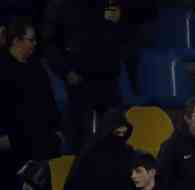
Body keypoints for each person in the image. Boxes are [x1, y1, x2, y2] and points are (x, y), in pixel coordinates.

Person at [41, 0, 130, 151]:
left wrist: (118, 24)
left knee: (116, 133)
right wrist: (65, 71)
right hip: (78, 79)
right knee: (78, 139)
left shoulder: (111, 2)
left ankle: (114, 170)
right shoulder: (60, 5)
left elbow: (127, 34)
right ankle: (79, 171)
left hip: (107, 78)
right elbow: (49, 43)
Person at [0, 18, 62, 190]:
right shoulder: (3, 67)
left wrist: (56, 129)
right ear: (16, 40)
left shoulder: (36, 67)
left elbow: (49, 100)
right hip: (13, 145)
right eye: (31, 40)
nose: (35, 44)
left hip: (39, 141)